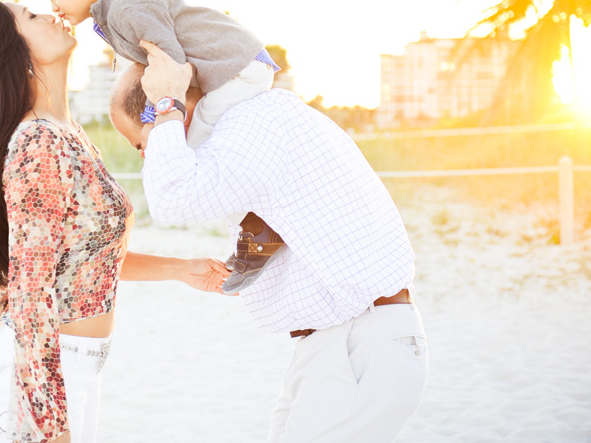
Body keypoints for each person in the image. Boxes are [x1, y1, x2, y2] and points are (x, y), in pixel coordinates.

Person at [0, 0, 229, 443]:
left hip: (80, 368)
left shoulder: (66, 133)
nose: (50, 14)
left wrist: (180, 269)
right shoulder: (37, 142)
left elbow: (79, 259)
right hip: (46, 374)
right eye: (31, 17)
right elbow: (33, 299)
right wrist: (48, 424)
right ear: (10, 50)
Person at [109, 44, 429, 443]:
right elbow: (279, 225)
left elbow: (171, 198)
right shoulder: (252, 126)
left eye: (141, 145)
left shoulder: (254, 123)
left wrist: (167, 104)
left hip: (359, 340)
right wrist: (232, 270)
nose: (146, 159)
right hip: (339, 342)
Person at [31, 0, 285, 290]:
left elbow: (171, 62)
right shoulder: (116, 12)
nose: (52, 7)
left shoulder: (124, 9)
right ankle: (258, 228)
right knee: (200, 148)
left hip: (238, 68)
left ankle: (261, 230)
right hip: (237, 66)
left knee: (196, 150)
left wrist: (155, 119)